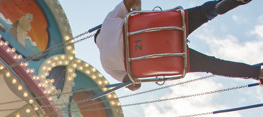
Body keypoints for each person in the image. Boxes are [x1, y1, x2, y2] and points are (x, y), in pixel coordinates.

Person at [95, 1, 262, 89]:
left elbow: (133, 84)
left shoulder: (106, 64)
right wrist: (134, 14)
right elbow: (133, 0)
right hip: (164, 28)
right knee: (203, 13)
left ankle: (257, 73)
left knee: (213, 65)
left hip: (169, 58)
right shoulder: (108, 22)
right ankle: (218, 6)